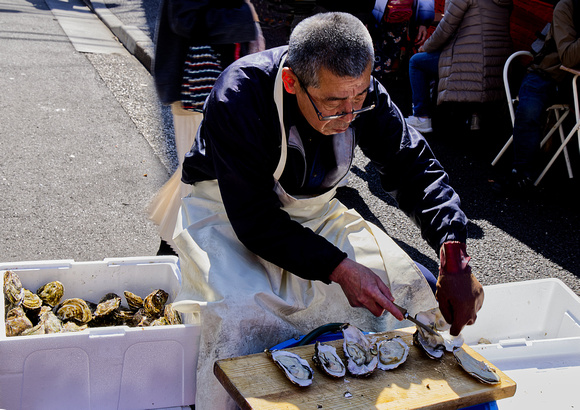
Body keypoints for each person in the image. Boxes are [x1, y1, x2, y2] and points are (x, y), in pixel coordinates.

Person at [172, 12, 483, 408]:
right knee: (235, 317)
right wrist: (339, 268)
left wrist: (453, 253)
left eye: (360, 98)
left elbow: (414, 168)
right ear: (291, 82)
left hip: (315, 211)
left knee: (409, 285)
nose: (350, 116)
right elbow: (256, 220)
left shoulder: (359, 95)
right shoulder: (240, 94)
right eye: (334, 105)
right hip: (227, 213)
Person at [149, 0, 264, 255]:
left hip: (205, 89)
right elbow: (185, 19)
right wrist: (247, 19)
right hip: (196, 90)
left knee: (194, 176)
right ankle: (171, 252)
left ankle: (170, 250)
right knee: (198, 178)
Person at [498, 0, 580, 193]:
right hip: (547, 74)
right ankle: (521, 173)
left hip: (572, 80)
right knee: (529, 108)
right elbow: (568, 56)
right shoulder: (566, 6)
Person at [405, 0, 513, 133]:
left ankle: (422, 118)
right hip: (497, 63)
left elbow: (446, 27)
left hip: (469, 61)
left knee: (417, 62)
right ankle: (475, 116)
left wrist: (425, 47)